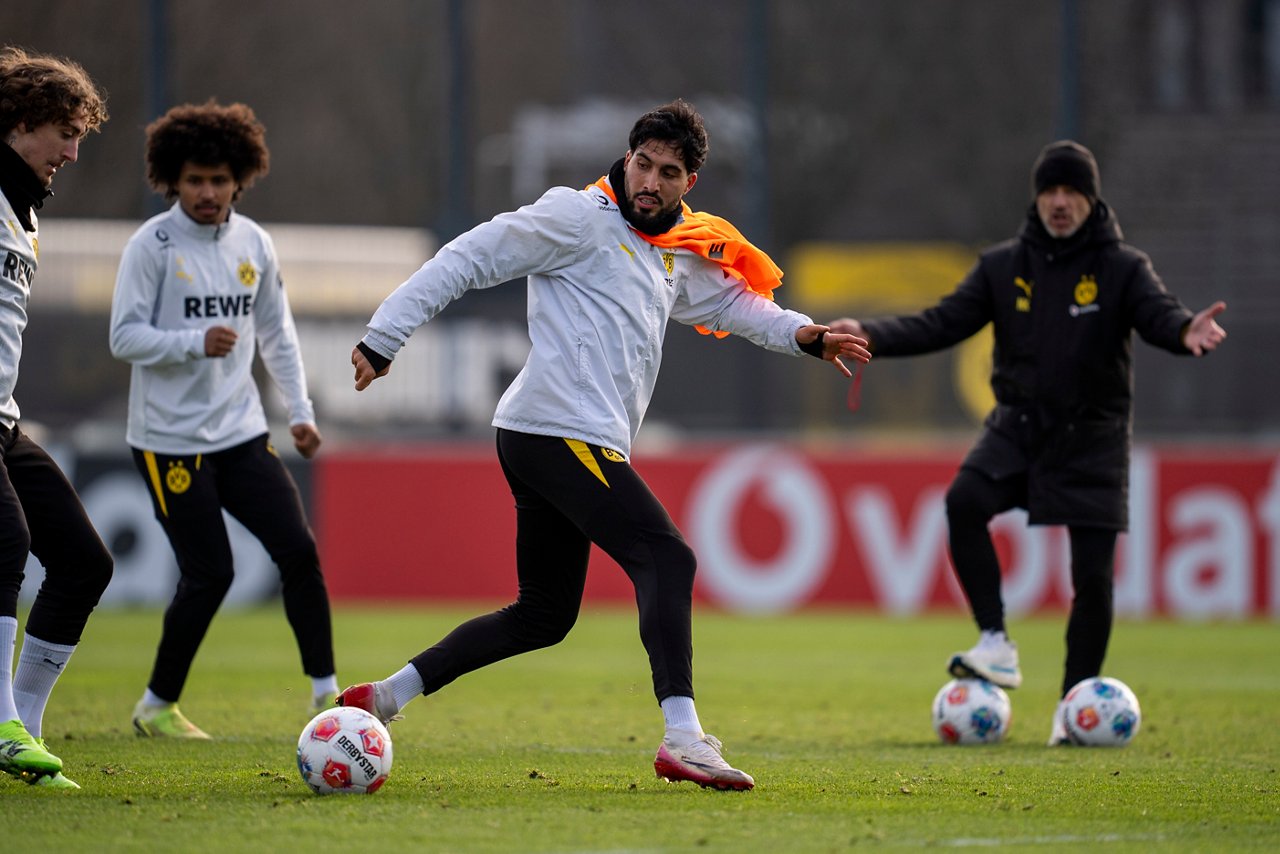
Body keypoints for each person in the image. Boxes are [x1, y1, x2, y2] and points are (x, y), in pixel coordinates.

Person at [338, 99, 870, 790]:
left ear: (689, 183)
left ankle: (388, 695)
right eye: (642, 164)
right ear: (626, 157)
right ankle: (683, 736)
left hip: (551, 436)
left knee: (545, 615)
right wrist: (385, 337)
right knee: (668, 557)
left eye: (667, 172)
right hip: (555, 428)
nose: (649, 181)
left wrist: (806, 334)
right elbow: (468, 257)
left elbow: (734, 304)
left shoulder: (673, 248)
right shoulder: (576, 217)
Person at [829, 140, 1227, 744]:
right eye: (1050, 191)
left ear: (1092, 202)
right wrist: (870, 334)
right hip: (1017, 427)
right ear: (1036, 198)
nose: (1060, 203)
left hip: (1093, 437)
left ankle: (1074, 712)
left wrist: (1183, 329)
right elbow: (940, 322)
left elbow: (1158, 313)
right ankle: (995, 641)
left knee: (1092, 580)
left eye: (1073, 193)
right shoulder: (1003, 266)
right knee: (964, 502)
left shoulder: (1122, 268)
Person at [109, 101, 337, 739]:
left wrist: (300, 412)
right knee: (212, 574)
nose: (206, 193)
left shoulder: (254, 243)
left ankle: (327, 696)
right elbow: (123, 337)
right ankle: (156, 705)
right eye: (193, 181)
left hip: (240, 432)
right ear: (171, 181)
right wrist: (190, 341)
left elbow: (278, 335)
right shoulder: (150, 246)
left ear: (240, 178)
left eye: (217, 180)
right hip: (167, 443)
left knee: (298, 549)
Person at [0, 46, 113, 790]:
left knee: (82, 562)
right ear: (21, 121)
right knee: (6, 540)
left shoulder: (24, 213)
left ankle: (25, 732)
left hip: (2, 422)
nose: (72, 152)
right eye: (65, 133)